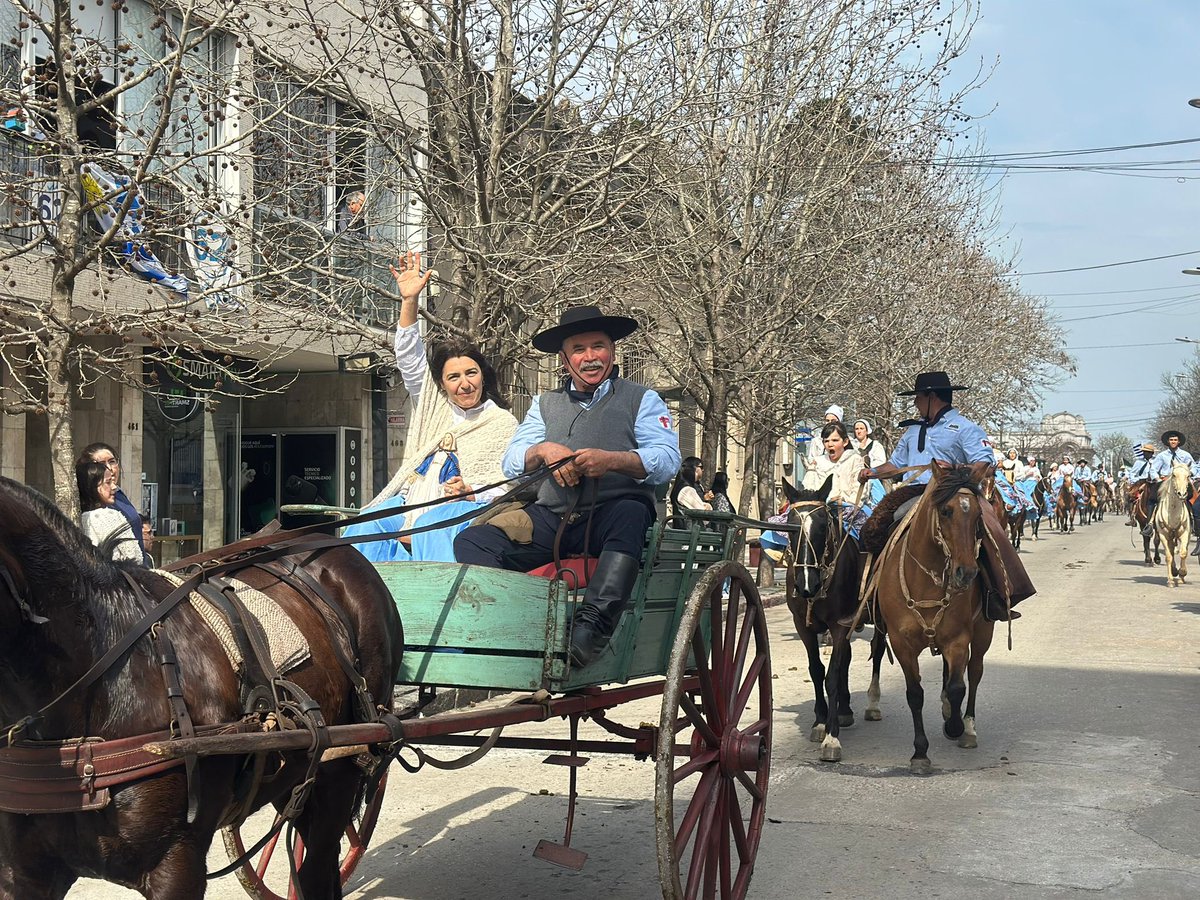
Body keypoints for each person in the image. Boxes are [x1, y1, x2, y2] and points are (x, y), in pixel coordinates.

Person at [454, 305, 681, 667]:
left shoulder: (642, 399)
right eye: (579, 349)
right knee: (473, 540)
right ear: (564, 359)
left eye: (598, 346)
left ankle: (591, 629)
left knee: (632, 512)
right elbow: (512, 463)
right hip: (553, 518)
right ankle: (504, 628)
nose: (590, 357)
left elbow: (667, 459)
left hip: (612, 519)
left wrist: (614, 460)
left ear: (612, 351)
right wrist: (543, 451)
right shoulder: (544, 405)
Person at [344, 251, 519, 561]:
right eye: (453, 377)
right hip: (411, 500)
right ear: (441, 384)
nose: (464, 384)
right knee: (363, 525)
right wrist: (409, 301)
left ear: (483, 375)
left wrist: (471, 488)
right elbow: (410, 359)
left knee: (431, 525)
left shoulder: (502, 422)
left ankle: (435, 602)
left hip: (464, 509)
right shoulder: (432, 405)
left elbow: (509, 484)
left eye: (471, 373)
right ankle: (364, 604)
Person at [857, 370, 1033, 621]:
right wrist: (872, 472)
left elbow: (985, 464)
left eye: (918, 397)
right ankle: (869, 596)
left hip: (953, 492)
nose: (915, 403)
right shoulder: (911, 431)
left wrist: (956, 470)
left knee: (991, 528)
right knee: (873, 528)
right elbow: (896, 464)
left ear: (931, 397)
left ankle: (999, 595)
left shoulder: (965, 429)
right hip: (914, 492)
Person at [76, 442, 151, 565]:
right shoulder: (94, 514)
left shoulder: (119, 494)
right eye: (100, 464)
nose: (109, 469)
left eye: (112, 462)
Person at [1145, 430, 1195, 534]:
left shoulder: (1185, 455)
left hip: (1181, 480)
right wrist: (1157, 479)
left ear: (1179, 442)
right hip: (1164, 480)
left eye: (1175, 440)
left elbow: (1194, 467)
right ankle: (1149, 524)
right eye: (1171, 440)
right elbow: (1153, 469)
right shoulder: (1162, 455)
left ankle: (1192, 522)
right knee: (1152, 498)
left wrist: (1189, 474)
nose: (1173, 442)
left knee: (1191, 497)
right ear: (1168, 442)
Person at [1126, 443, 1155, 526]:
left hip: (1153, 482)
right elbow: (1132, 473)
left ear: (1152, 453)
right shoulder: (1139, 462)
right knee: (1131, 495)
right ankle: (1132, 517)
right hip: (1141, 481)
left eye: (1149, 452)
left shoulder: (1156, 461)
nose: (1147, 454)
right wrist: (1136, 481)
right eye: (1145, 452)